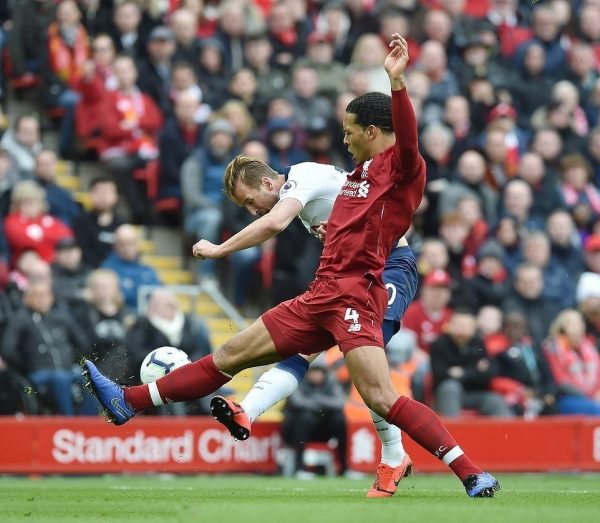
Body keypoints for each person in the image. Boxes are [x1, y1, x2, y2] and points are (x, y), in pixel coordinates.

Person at [83, 34, 499, 499]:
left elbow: (405, 137)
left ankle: (466, 471)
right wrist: (337, 233)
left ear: (373, 131)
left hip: (360, 292)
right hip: (320, 293)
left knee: (380, 395)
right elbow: (352, 219)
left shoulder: (402, 168)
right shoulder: (355, 176)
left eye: (349, 129)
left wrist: (397, 82)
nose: (343, 137)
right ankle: (128, 401)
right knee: (229, 355)